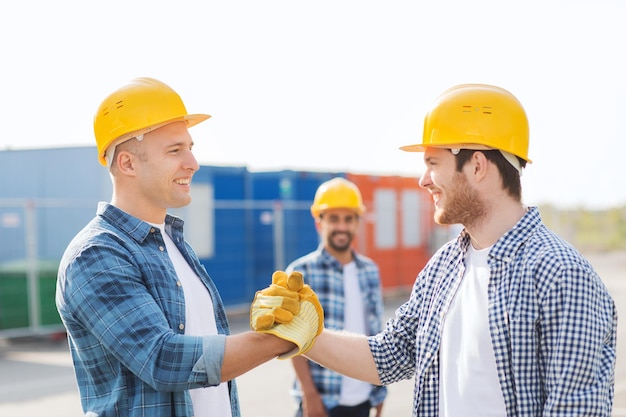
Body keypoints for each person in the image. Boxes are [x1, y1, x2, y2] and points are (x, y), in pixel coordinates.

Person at [272, 84, 618, 416]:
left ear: (477, 166)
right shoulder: (444, 266)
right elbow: (388, 356)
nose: (423, 180)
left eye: (433, 163)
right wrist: (305, 333)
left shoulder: (562, 275)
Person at [55, 77, 319, 417]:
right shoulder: (96, 255)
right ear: (128, 163)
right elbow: (164, 360)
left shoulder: (174, 245)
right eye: (175, 150)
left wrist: (263, 330)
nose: (192, 162)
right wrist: (283, 337)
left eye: (190, 147)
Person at [286, 177, 387, 417]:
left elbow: (375, 333)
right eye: (333, 218)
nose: (341, 226)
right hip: (321, 402)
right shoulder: (301, 273)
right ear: (319, 223)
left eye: (348, 219)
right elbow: (292, 340)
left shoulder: (370, 271)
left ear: (357, 223)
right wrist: (309, 395)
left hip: (363, 400)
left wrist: (380, 392)